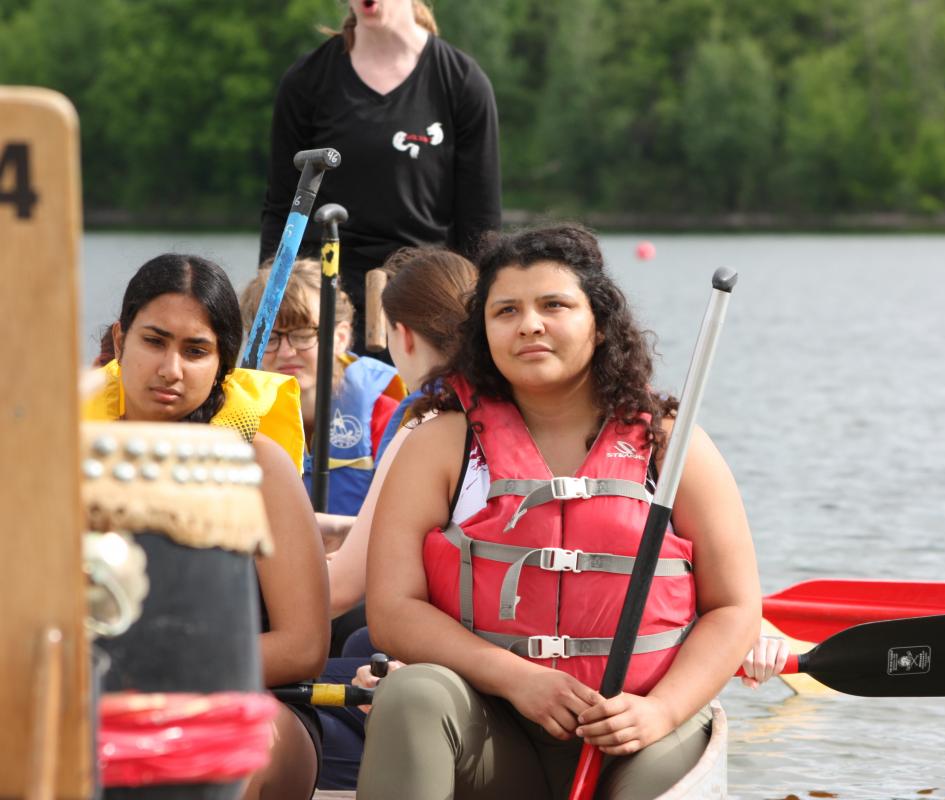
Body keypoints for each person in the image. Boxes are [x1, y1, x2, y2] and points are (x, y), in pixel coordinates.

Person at [356, 225, 762, 799]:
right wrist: (517, 678)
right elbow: (394, 609)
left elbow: (736, 607)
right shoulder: (440, 444)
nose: (529, 324)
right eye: (506, 311)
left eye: (555, 305)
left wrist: (662, 712)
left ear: (599, 322)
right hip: (494, 727)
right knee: (411, 694)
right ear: (483, 332)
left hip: (640, 735)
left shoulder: (673, 446)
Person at [86, 254, 330, 800]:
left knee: (213, 753)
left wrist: (156, 670)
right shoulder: (75, 451)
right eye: (154, 341)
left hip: (251, 699)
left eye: (195, 351)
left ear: (222, 362)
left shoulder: (259, 464)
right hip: (96, 695)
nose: (171, 369)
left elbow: (304, 644)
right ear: (121, 339)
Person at [315, 245, 477, 790]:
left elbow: (337, 588)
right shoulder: (507, 408)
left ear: (401, 336)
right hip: (483, 645)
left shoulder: (425, 423)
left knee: (259, 681)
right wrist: (333, 529)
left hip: (452, 679)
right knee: (360, 643)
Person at [259, 0, 501, 354]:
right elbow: (281, 208)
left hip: (424, 299)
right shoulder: (306, 80)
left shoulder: (462, 82)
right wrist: (269, 306)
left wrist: (479, 324)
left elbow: (481, 231)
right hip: (324, 299)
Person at [240, 259, 406, 518]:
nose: (286, 352)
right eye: (270, 337)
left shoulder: (385, 417)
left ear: (340, 337)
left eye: (304, 334)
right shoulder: (237, 420)